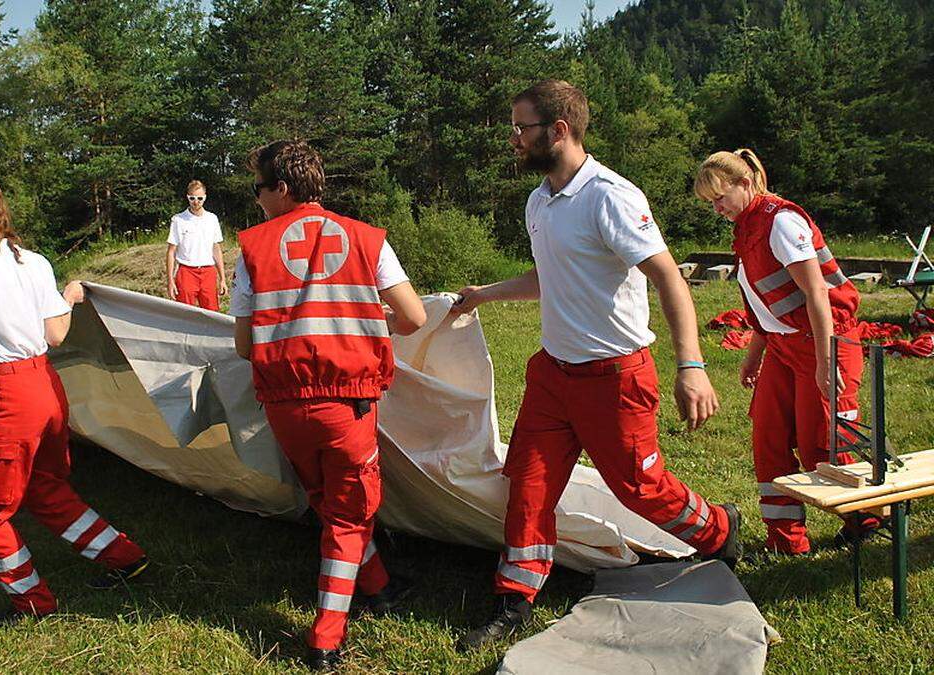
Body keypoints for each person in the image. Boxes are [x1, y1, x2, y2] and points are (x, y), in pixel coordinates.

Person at [452, 80, 742, 650]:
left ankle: (719, 530)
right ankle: (514, 599)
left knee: (640, 487)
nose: (513, 138)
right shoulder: (540, 200)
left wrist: (692, 365)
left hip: (615, 376)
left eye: (521, 127)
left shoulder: (611, 196)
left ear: (558, 130)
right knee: (529, 487)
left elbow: (668, 278)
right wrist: (485, 293)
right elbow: (550, 277)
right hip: (552, 375)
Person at [231, 140, 427, 671]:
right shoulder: (368, 240)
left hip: (284, 405)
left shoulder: (250, 248)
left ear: (282, 188)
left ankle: (381, 585)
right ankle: (325, 637)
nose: (256, 201)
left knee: (327, 501)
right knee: (348, 515)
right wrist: (355, 321)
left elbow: (245, 346)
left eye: (259, 189)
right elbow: (413, 318)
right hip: (349, 404)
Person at [0, 181, 148, 622]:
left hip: (10, 393)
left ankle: (32, 604)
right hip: (47, 386)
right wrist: (68, 298)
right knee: (45, 486)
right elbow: (56, 335)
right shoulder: (34, 261)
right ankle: (124, 557)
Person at [693, 149, 873, 554]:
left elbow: (816, 295)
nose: (717, 208)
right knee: (769, 436)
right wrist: (754, 354)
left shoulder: (780, 221)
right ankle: (786, 540)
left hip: (823, 343)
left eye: (720, 197)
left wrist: (827, 363)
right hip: (783, 346)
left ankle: (867, 519)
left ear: (745, 183)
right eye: (711, 202)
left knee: (821, 443)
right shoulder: (747, 224)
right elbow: (766, 302)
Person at [166, 180, 227, 310]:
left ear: (205, 197)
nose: (196, 201)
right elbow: (171, 251)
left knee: (212, 313)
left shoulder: (212, 219)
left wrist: (222, 278)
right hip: (186, 271)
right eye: (192, 198)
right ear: (187, 197)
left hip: (208, 272)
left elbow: (216, 249)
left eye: (200, 198)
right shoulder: (178, 219)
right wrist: (170, 280)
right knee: (185, 314)